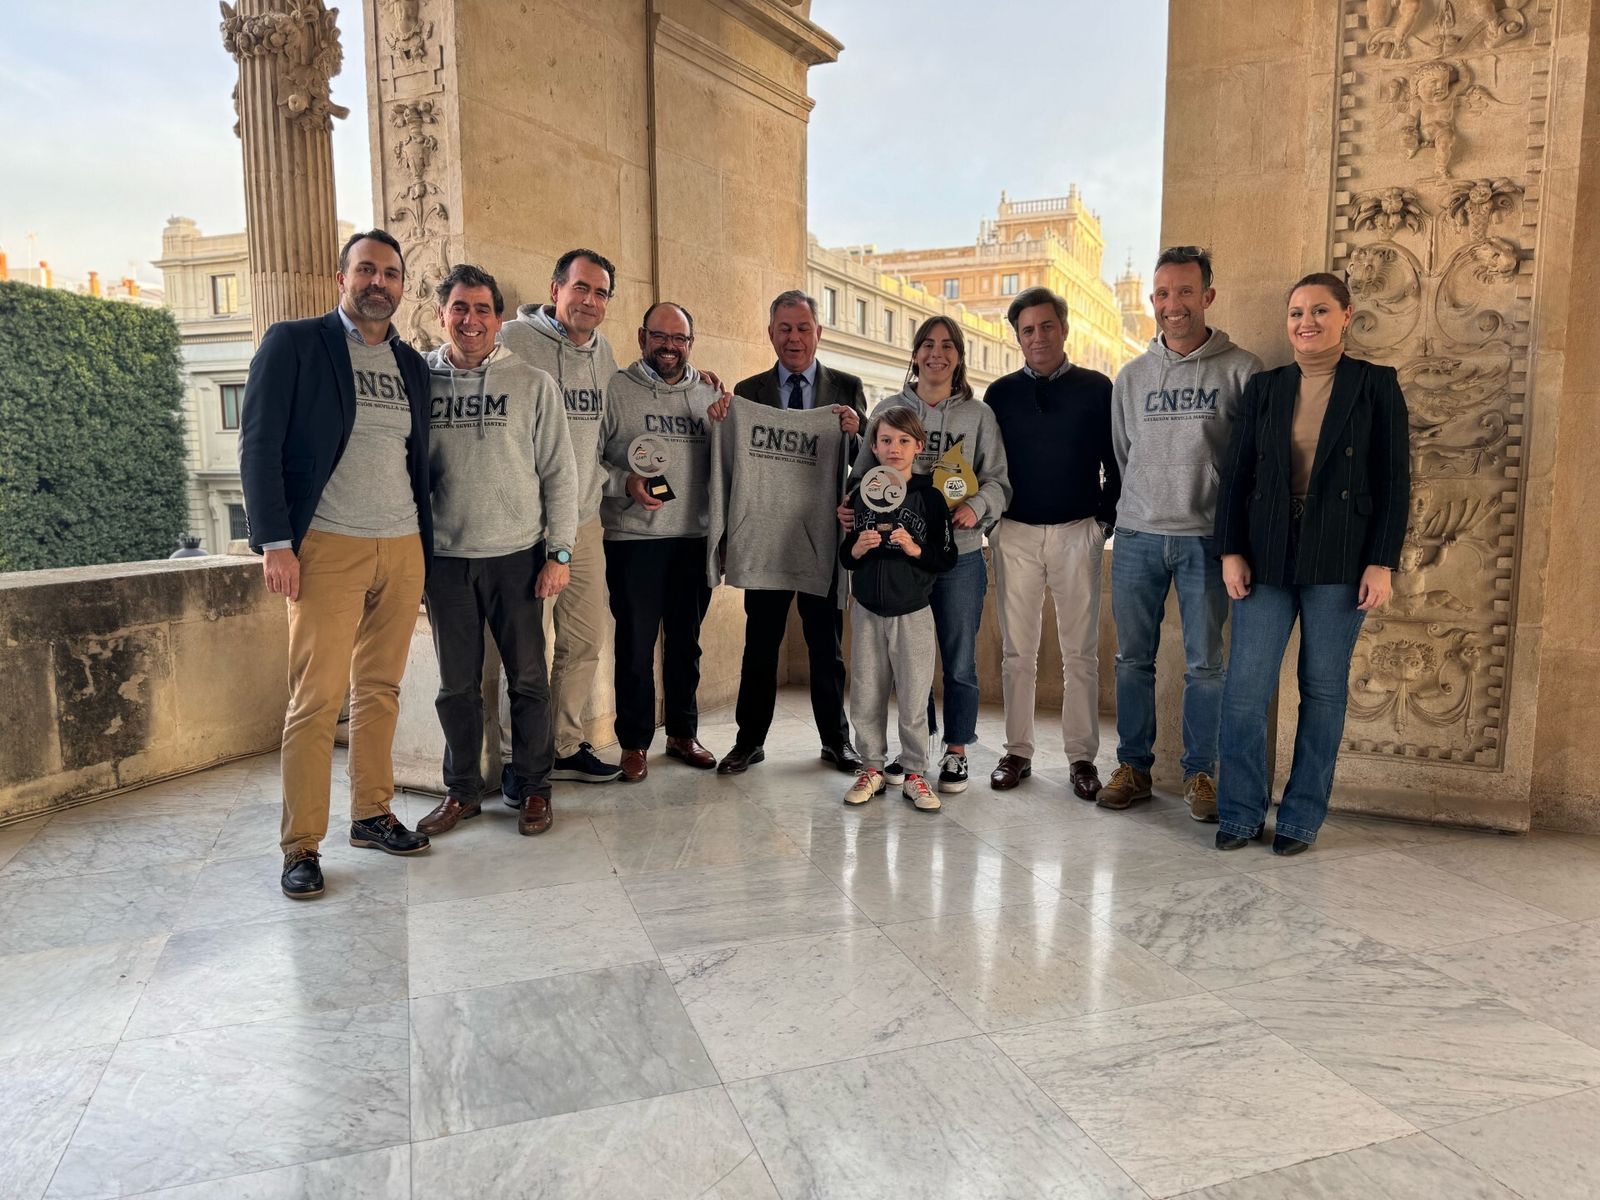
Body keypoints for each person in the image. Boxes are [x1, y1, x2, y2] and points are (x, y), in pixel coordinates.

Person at [238, 229, 435, 899]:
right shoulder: (294, 344)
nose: (377, 282)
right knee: (316, 701)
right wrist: (274, 541)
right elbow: (258, 445)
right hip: (326, 546)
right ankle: (301, 844)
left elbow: (417, 459)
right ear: (341, 278)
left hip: (403, 543)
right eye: (365, 271)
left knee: (380, 690)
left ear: (403, 286)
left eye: (389, 273)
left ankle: (372, 814)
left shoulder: (411, 364)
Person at [1213, 272, 1410, 855]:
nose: (1307, 323)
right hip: (1266, 553)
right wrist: (1230, 550)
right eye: (1297, 312)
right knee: (1245, 689)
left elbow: (1394, 481)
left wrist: (1382, 562)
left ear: (1346, 316)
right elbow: (1238, 474)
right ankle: (1241, 812)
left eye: (1320, 311)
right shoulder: (1266, 387)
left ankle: (1300, 819)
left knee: (1322, 691)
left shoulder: (1376, 385)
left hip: (1341, 559)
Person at [415, 264, 578, 839]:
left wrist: (559, 553)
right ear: (442, 316)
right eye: (459, 308)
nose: (471, 320)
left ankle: (534, 788)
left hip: (518, 557)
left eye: (482, 309)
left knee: (528, 680)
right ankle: (461, 792)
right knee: (455, 686)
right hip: (446, 560)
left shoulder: (533, 384)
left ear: (498, 319)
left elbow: (559, 470)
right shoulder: (421, 383)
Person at [1101, 248, 1264, 818]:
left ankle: (1201, 775)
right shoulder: (1131, 377)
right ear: (1153, 301)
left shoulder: (1242, 370)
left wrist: (1232, 539)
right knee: (1131, 660)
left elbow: (1249, 463)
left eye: (1185, 292)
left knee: (1205, 664)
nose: (1173, 305)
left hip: (1206, 541)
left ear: (1207, 297)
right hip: (1138, 535)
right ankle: (1133, 768)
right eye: (1163, 294)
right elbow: (1125, 453)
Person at [841, 316, 1010, 793]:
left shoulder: (978, 417)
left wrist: (976, 508)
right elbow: (862, 477)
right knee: (905, 661)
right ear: (915, 354)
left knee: (958, 657)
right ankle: (915, 754)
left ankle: (956, 750)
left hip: (957, 555)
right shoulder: (888, 409)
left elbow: (999, 480)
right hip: (896, 557)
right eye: (928, 345)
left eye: (948, 346)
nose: (938, 353)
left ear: (959, 357)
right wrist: (851, 508)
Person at [718, 289, 866, 777]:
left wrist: (858, 430)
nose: (794, 338)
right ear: (770, 334)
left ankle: (836, 742)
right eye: (784, 328)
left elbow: (865, 466)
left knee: (827, 647)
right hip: (764, 539)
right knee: (759, 644)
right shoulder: (748, 391)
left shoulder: (847, 387)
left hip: (822, 539)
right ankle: (749, 741)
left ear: (818, 333)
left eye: (803, 328)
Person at [984, 287, 1120, 802]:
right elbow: (983, 463)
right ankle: (1017, 751)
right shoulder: (999, 394)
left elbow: (1116, 462)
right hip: (1013, 534)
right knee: (1017, 652)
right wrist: (993, 525)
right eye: (1026, 329)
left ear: (1064, 329)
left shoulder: (1096, 388)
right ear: (1016, 336)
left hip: (1076, 532)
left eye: (1045, 326)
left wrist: (1100, 524)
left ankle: (1081, 757)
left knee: (1080, 653)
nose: (1037, 336)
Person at [496, 249, 623, 788]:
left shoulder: (606, 353)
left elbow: (599, 443)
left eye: (600, 293)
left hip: (585, 522)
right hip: (523, 525)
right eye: (581, 288)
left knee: (585, 640)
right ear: (555, 290)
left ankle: (566, 746)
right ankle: (517, 757)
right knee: (523, 650)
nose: (590, 301)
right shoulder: (510, 340)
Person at [596, 302, 729, 781]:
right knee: (634, 646)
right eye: (660, 336)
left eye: (680, 339)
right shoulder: (615, 389)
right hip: (633, 541)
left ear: (690, 343)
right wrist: (624, 483)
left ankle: (682, 733)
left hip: (693, 538)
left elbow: (726, 462)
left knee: (686, 644)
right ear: (641, 336)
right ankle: (634, 743)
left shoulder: (709, 392)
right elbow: (590, 461)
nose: (670, 346)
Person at [839, 406, 957, 811]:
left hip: (913, 612)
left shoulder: (930, 497)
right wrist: (855, 547)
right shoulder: (861, 494)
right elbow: (847, 557)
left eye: (904, 441)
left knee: (913, 697)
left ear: (918, 447)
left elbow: (945, 557)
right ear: (873, 446)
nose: (894, 448)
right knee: (866, 694)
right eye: (886, 440)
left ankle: (914, 773)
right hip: (868, 611)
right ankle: (871, 768)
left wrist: (914, 548)